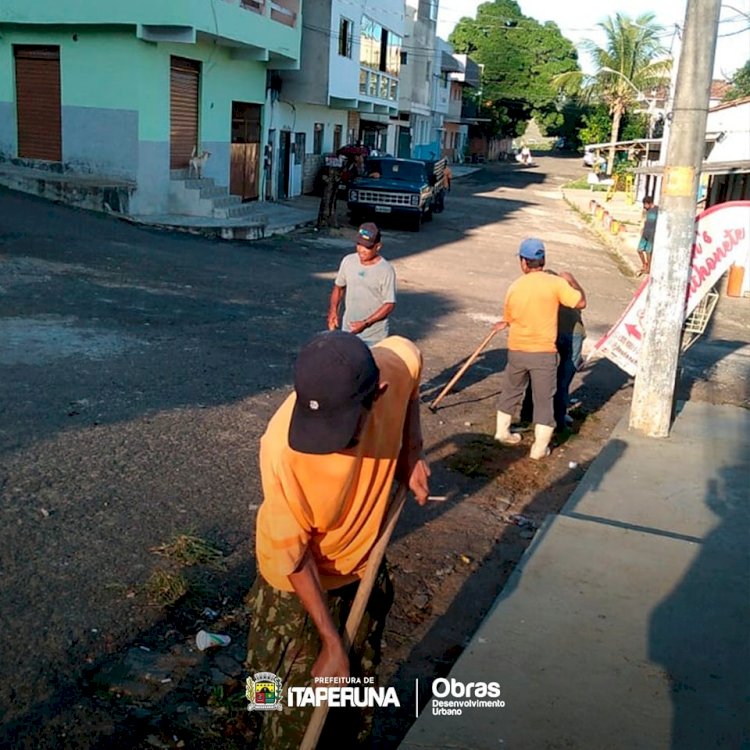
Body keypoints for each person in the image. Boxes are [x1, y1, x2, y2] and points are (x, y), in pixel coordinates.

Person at [245, 331, 430, 748]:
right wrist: (329, 639)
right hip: (294, 590)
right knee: (281, 707)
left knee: (349, 704)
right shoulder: (282, 449)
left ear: (377, 393)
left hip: (360, 569)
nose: (325, 441)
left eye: (340, 425)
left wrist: (411, 449)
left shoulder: (392, 371)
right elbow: (293, 558)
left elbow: (411, 355)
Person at [492, 238, 586, 460]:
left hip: (517, 349)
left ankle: (502, 433)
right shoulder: (555, 284)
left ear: (524, 262)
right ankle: (538, 449)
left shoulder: (515, 286)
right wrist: (573, 282)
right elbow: (580, 303)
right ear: (543, 260)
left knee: (510, 392)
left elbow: (509, 317)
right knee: (544, 399)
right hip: (543, 353)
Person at [328, 222, 397, 346]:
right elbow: (339, 287)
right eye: (359, 244)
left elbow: (389, 304)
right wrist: (333, 311)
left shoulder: (386, 270)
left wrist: (365, 323)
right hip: (348, 332)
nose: (361, 250)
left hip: (374, 337)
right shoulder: (348, 261)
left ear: (378, 246)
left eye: (367, 247)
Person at [637, 195, 659, 276]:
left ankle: (649, 268)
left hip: (652, 234)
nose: (644, 206)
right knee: (639, 250)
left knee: (648, 252)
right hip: (645, 233)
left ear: (649, 203)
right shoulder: (647, 211)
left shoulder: (657, 210)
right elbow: (645, 220)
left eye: (645, 204)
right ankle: (644, 264)